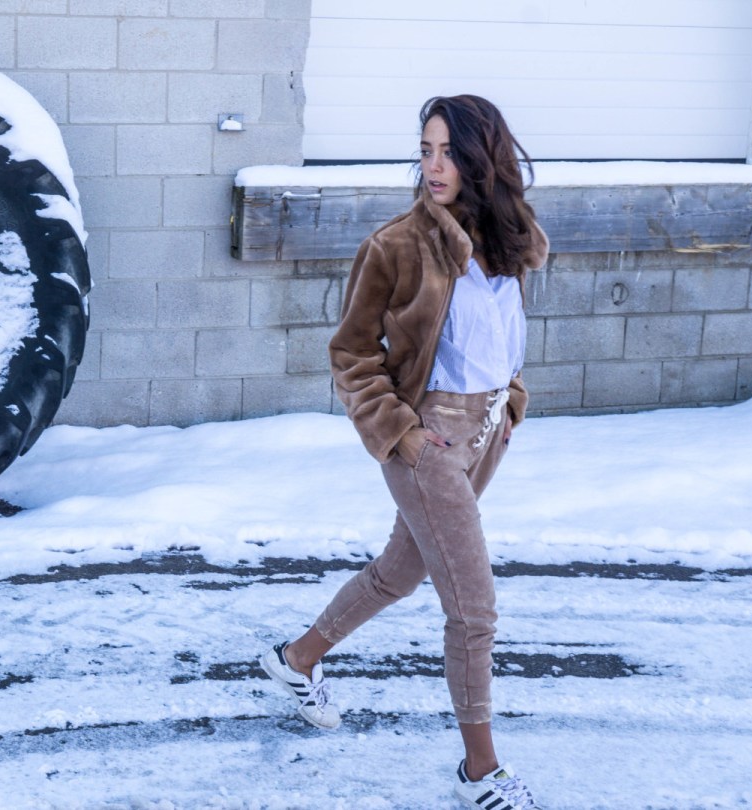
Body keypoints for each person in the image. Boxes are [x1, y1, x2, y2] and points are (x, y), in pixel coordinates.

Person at [259, 95, 548, 809]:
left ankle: (297, 659)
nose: (434, 166)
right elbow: (352, 353)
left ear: (484, 160)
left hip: (483, 434)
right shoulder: (396, 246)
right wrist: (401, 432)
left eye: (449, 152)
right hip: (426, 440)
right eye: (426, 150)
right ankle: (481, 771)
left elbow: (503, 336)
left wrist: (511, 399)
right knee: (473, 611)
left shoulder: (509, 241)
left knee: (400, 570)